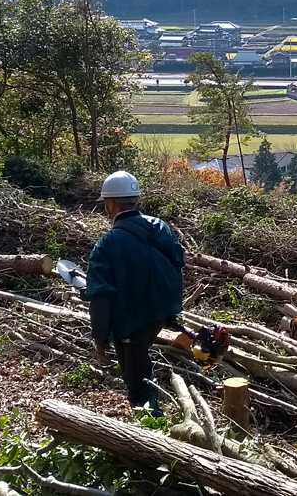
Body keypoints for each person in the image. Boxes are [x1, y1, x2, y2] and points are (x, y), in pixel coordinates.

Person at [83, 170, 185, 411]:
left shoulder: (107, 244)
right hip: (161, 312)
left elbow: (100, 295)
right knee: (140, 360)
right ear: (134, 199)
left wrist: (99, 337)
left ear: (110, 204)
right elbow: (178, 262)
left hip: (130, 322)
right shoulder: (159, 226)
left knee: (134, 379)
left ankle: (150, 424)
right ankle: (148, 407)